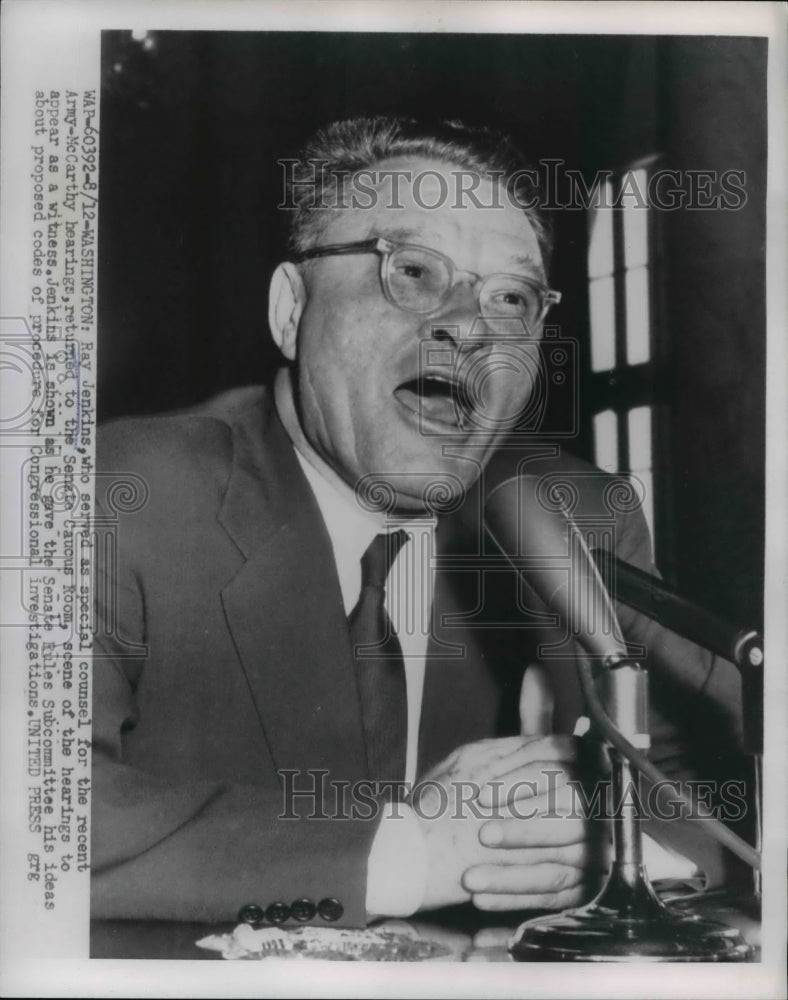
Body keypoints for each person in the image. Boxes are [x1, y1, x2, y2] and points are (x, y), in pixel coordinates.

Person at [91, 117, 745, 927]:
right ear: (291, 309)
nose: (470, 327)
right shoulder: (122, 495)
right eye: (412, 270)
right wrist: (415, 852)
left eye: (511, 296)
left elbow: (730, 779)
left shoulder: (572, 515)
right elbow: (33, 813)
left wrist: (606, 844)